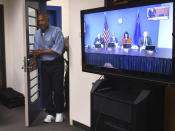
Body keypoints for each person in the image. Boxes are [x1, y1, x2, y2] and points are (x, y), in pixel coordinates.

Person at [30, 13, 65, 123]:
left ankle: (59, 112)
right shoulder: (36, 34)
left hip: (56, 64)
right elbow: (36, 50)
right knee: (46, 90)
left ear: (48, 20)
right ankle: (51, 113)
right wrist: (35, 60)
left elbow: (56, 50)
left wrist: (39, 52)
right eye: (39, 21)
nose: (40, 23)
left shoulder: (57, 31)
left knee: (58, 89)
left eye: (42, 20)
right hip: (44, 64)